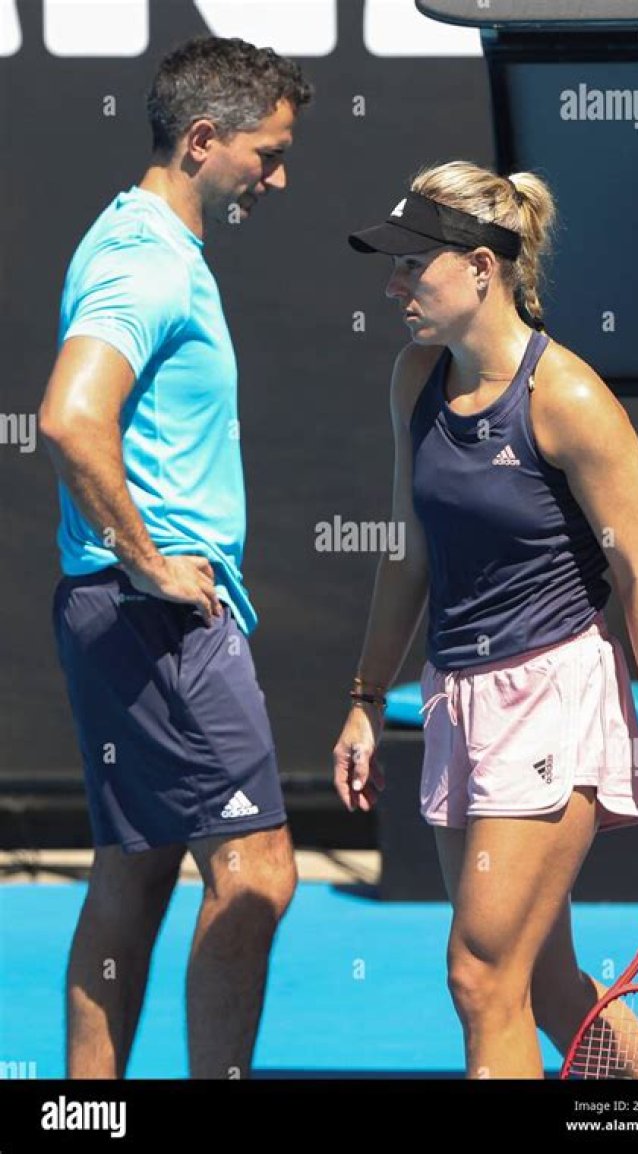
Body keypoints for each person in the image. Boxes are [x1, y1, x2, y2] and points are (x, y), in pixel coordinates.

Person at [333, 162, 638, 1078]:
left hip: (551, 699)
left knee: (480, 977)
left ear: (480, 268)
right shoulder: (414, 377)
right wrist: (365, 698)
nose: (392, 286)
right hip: (455, 698)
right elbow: (409, 552)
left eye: (412, 266)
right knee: (540, 983)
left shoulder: (569, 399)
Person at [39, 36, 312, 1080]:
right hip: (155, 617)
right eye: (267, 154)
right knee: (258, 875)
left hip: (114, 611)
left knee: (137, 868)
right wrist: (150, 560)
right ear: (203, 140)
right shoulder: (145, 259)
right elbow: (70, 418)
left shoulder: (140, 243)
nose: (276, 180)